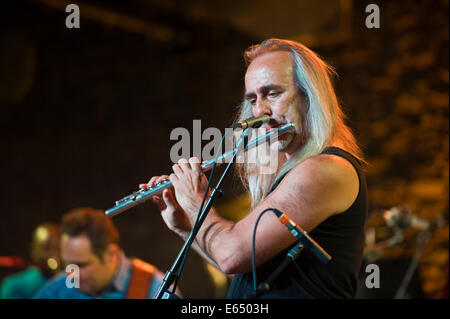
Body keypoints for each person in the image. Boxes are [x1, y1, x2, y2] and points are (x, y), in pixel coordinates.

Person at [142, 38, 368, 298]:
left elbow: (231, 255)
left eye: (272, 93)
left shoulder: (326, 169)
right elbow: (245, 272)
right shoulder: (293, 172)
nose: (259, 112)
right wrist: (185, 225)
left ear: (310, 97)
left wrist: (197, 203)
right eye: (252, 99)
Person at [34, 207, 172, 299]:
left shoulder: (155, 289)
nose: (70, 274)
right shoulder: (56, 290)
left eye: (81, 265)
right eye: (66, 264)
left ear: (111, 254)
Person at [0, 223, 61, 298]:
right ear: (36, 250)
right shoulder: (14, 286)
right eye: (48, 248)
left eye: (59, 248)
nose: (56, 254)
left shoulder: (67, 283)